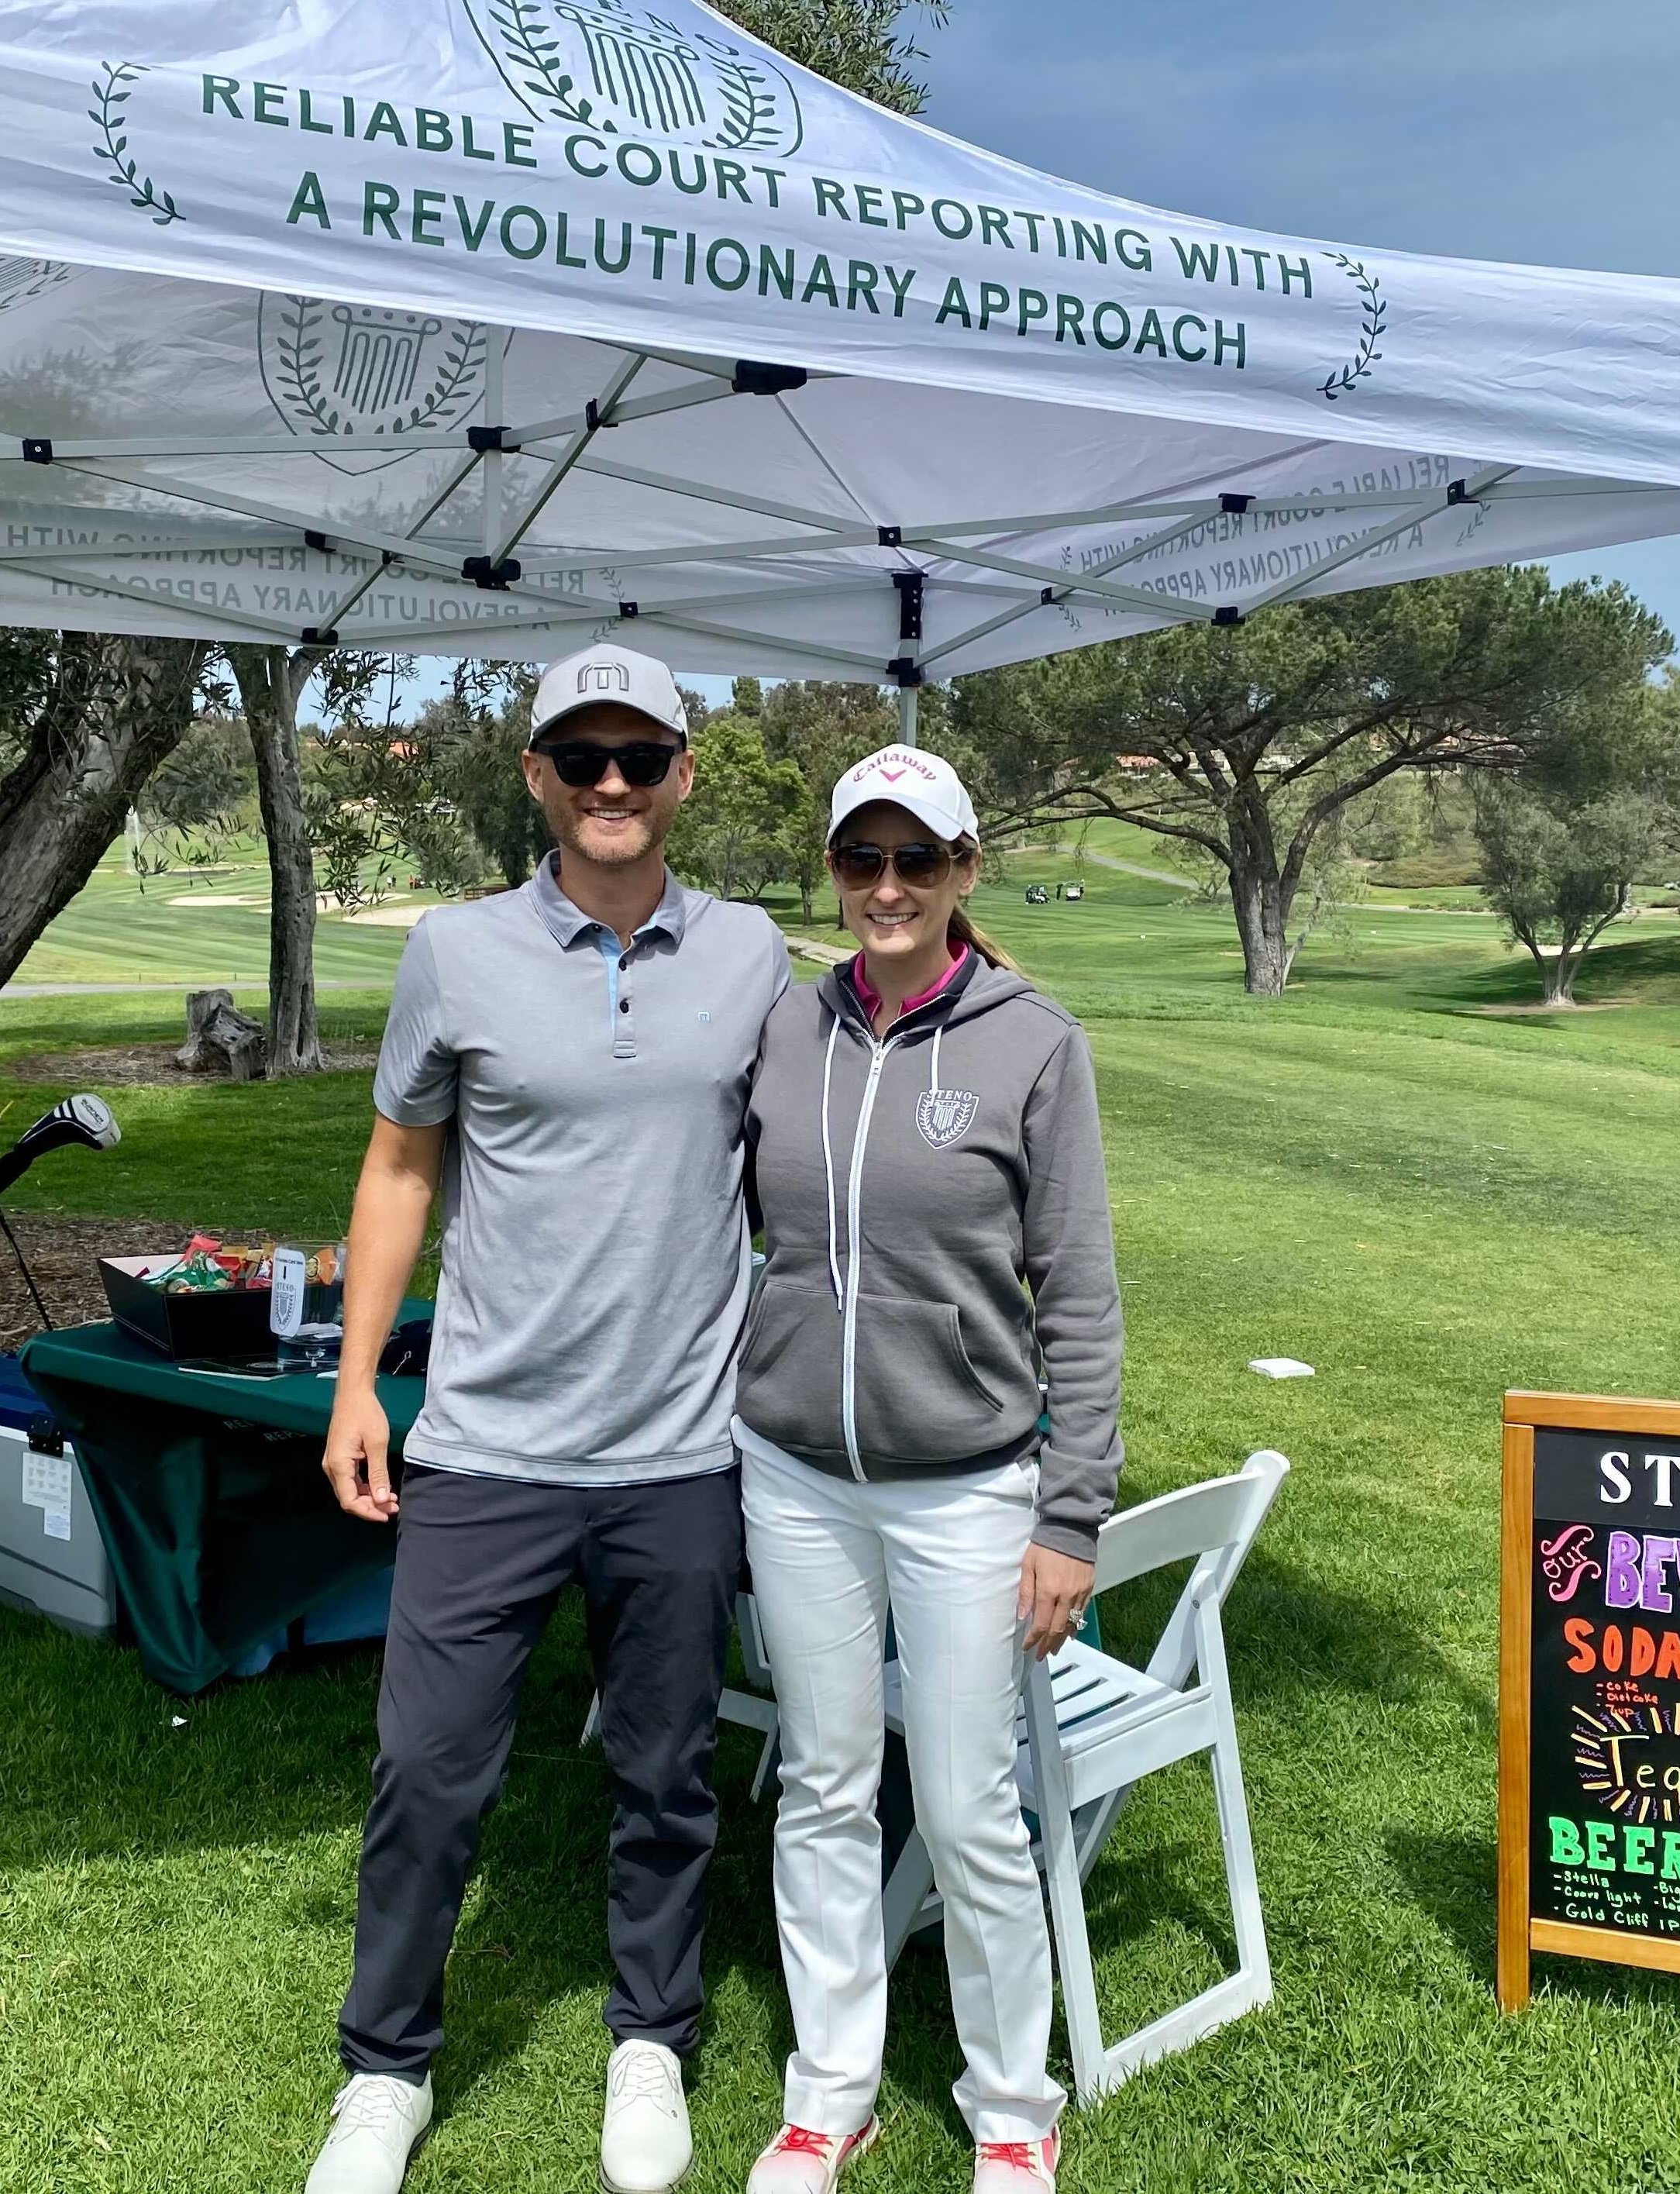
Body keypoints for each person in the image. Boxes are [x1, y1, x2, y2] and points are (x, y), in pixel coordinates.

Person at [305, 642, 790, 2194]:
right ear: (534, 777)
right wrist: (357, 1387)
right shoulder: (454, 952)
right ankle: (384, 2070)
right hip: (487, 1450)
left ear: (680, 777)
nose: (608, 785)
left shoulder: (752, 954)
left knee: (663, 1773)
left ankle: (653, 2036)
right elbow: (400, 1171)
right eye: (578, 757)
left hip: (680, 1455)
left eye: (638, 756)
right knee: (428, 1773)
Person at [733, 742, 1122, 2194]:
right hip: (794, 1474)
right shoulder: (785, 1029)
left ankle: (1013, 2101)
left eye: (917, 860)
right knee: (827, 1784)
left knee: (967, 1805)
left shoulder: (1034, 1042)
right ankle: (830, 2092)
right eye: (859, 859)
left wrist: (1070, 1511)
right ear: (834, 870)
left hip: (967, 1486)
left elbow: (1076, 1296)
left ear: (965, 870)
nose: (885, 888)